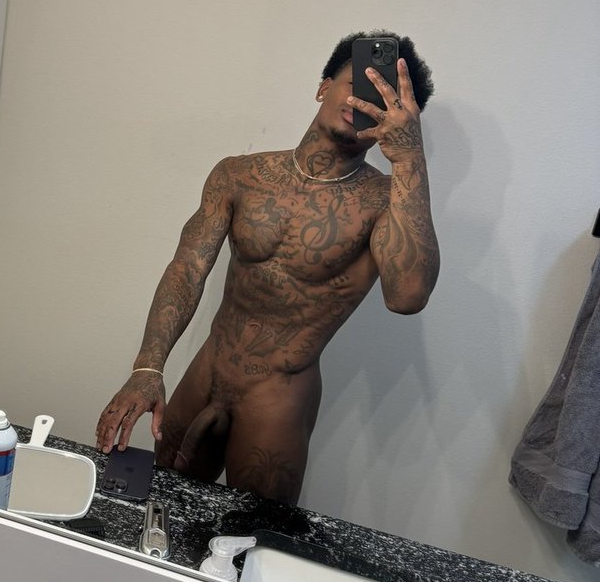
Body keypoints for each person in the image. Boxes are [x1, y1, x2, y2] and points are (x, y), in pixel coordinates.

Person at [95, 31, 439, 506]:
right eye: (357, 84)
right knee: (161, 510)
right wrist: (148, 367)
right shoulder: (239, 174)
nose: (363, 102)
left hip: (278, 398)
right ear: (323, 87)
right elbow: (187, 267)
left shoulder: (385, 202)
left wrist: (408, 158)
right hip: (205, 374)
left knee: (255, 536)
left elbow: (407, 297)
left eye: (384, 99)